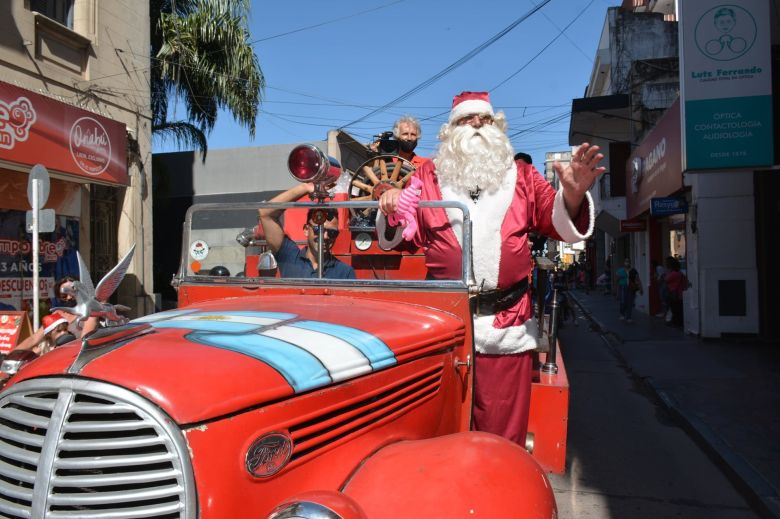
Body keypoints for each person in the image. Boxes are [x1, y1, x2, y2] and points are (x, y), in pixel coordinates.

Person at [378, 91, 603, 446]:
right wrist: (390, 207)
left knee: (500, 437)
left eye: (484, 120)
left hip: (506, 324)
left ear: (497, 127)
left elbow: (555, 220)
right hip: (444, 326)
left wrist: (572, 196)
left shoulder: (523, 176)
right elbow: (404, 234)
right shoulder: (427, 176)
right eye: (467, 120)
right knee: (439, 433)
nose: (477, 126)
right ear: (450, 130)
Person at [258, 183, 356, 279]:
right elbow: (265, 213)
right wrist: (305, 188)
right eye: (318, 230)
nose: (325, 237)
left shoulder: (345, 273)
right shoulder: (289, 256)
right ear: (306, 230)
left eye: (332, 233)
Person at [664, 256, 687, 327]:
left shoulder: (674, 274)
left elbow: (666, 279)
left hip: (674, 294)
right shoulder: (679, 273)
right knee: (677, 309)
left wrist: (668, 272)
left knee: (675, 309)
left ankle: (676, 323)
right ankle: (676, 322)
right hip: (678, 294)